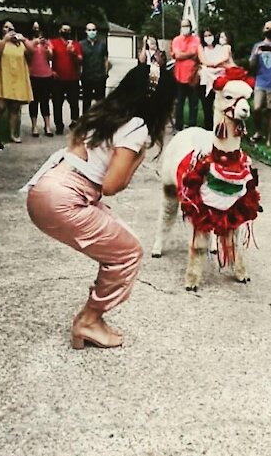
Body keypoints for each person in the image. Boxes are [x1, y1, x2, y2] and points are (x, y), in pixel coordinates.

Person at [20, 63, 176, 350]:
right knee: (128, 253)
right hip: (66, 197)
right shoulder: (137, 127)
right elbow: (112, 186)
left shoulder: (103, 114)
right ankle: (88, 321)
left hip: (46, 187)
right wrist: (138, 158)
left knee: (121, 243)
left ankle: (92, 319)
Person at [0, 21, 34, 143]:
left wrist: (24, 39)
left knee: (14, 108)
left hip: (18, 79)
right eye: (6, 27)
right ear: (1, 29)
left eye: (11, 28)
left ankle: (12, 134)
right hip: (3, 78)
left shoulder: (20, 44)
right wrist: (4, 40)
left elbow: (32, 51)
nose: (9, 29)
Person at [198, 29, 238, 127]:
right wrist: (215, 65)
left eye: (210, 35)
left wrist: (217, 65)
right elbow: (204, 61)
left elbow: (226, 61)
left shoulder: (221, 48)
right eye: (205, 36)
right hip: (206, 80)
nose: (208, 38)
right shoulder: (202, 48)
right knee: (207, 107)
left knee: (220, 105)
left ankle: (221, 127)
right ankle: (208, 128)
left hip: (219, 80)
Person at [48, 23, 83, 134]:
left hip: (73, 78)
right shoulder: (53, 42)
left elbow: (80, 61)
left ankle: (74, 122)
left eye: (68, 30)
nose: (66, 32)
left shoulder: (76, 44)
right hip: (57, 79)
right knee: (57, 104)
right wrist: (51, 71)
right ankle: (59, 125)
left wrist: (73, 53)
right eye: (64, 29)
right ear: (60, 30)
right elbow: (47, 57)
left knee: (74, 103)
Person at [170, 18, 202, 130]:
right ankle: (178, 127)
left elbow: (197, 54)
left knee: (193, 104)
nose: (185, 28)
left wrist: (183, 54)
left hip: (193, 77)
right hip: (179, 76)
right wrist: (190, 54)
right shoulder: (176, 40)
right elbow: (177, 55)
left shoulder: (196, 40)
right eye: (183, 26)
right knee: (179, 104)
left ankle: (192, 127)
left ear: (191, 27)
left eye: (187, 26)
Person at [27, 22, 55, 137]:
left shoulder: (48, 42)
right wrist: (34, 43)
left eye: (39, 28)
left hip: (46, 75)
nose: (37, 30)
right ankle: (34, 127)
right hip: (33, 75)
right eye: (34, 28)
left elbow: (51, 57)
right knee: (33, 102)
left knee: (45, 102)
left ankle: (47, 126)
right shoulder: (28, 42)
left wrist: (47, 48)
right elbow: (27, 55)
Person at [78, 22, 111, 116]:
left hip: (100, 77)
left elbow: (105, 59)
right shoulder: (81, 44)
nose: (91, 32)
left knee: (100, 102)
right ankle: (85, 122)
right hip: (87, 76)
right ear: (86, 31)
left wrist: (105, 73)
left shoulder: (102, 45)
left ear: (96, 31)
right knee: (86, 102)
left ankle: (100, 120)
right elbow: (79, 61)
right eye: (89, 30)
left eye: (93, 30)